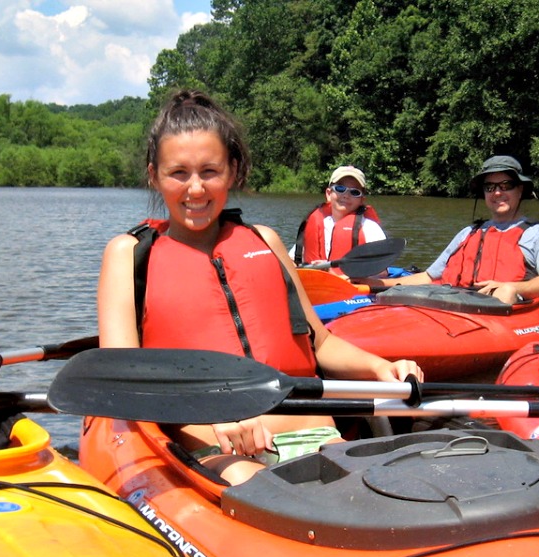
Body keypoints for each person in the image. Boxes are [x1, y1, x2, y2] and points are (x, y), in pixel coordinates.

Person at [97, 90, 422, 484]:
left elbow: (320, 343)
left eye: (210, 171)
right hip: (209, 448)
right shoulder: (129, 255)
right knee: (263, 493)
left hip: (312, 433)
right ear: (154, 176)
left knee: (381, 491)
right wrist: (211, 417)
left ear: (232, 171)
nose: (195, 188)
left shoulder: (265, 240)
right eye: (179, 173)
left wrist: (381, 367)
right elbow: (120, 380)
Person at [369, 155, 539, 304]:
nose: (497, 192)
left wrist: (511, 287)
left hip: (509, 313)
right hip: (457, 308)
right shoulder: (468, 233)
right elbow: (429, 277)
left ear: (520, 189)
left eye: (507, 185)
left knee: (506, 294)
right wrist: (376, 284)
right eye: (489, 187)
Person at [290, 165, 386, 266]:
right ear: (328, 194)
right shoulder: (313, 223)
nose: (346, 195)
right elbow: (292, 260)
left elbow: (382, 272)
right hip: (313, 279)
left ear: (361, 200)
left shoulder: (370, 229)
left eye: (354, 192)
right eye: (340, 188)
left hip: (349, 281)